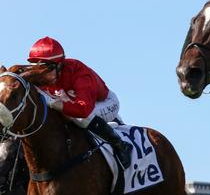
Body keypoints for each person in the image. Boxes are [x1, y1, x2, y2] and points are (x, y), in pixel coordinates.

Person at [27, 36, 133, 168]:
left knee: (77, 118)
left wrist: (52, 103)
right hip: (73, 102)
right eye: (37, 69)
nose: (42, 76)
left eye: (46, 69)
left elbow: (83, 110)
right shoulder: (44, 76)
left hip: (105, 103)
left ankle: (120, 145)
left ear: (60, 65)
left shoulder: (79, 72)